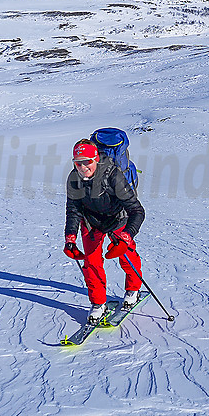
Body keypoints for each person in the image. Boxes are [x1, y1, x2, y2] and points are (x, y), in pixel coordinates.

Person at [63, 138, 146, 323]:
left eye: (88, 161)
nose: (83, 166)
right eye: (78, 162)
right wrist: (70, 238)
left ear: (96, 159)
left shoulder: (113, 175)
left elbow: (137, 211)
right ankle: (98, 303)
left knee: (127, 256)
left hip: (117, 219)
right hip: (92, 222)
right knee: (91, 263)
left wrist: (126, 236)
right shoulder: (74, 179)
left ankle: (133, 289)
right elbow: (73, 209)